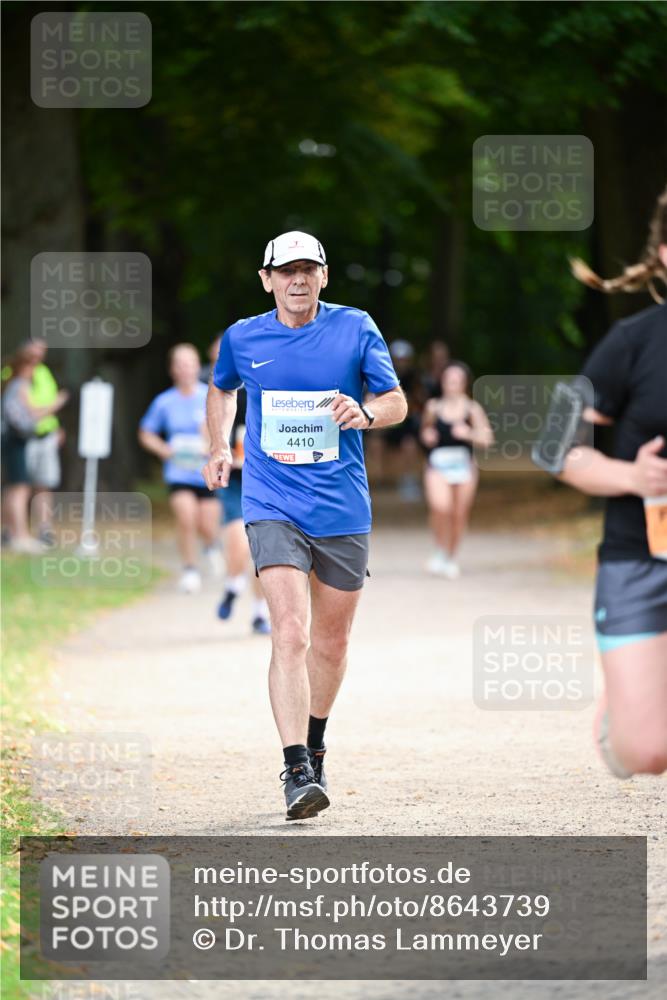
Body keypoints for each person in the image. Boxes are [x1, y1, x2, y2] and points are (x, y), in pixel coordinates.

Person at [203, 230, 407, 820]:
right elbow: (221, 390)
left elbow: (394, 400)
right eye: (285, 271)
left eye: (307, 270)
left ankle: (316, 742)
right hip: (272, 501)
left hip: (342, 505)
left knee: (332, 642)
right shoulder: (243, 337)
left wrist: (365, 413)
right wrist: (219, 445)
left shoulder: (355, 327)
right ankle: (295, 770)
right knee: (288, 632)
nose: (297, 280)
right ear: (266, 279)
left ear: (323, 276)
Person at [557, 186, 667, 778]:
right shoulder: (632, 343)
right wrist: (632, 473)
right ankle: (621, 712)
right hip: (641, 558)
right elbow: (560, 450)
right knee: (647, 752)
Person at [202, 335, 271, 635]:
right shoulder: (215, 389)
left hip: (264, 476)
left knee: (264, 548)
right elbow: (206, 429)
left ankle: (260, 612)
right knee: (236, 539)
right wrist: (219, 453)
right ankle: (233, 583)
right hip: (233, 477)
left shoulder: (265, 382)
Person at [139, 343, 222, 593]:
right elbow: (146, 433)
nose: (185, 369)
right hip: (178, 471)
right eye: (180, 364)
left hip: (206, 471)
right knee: (186, 517)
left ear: (198, 367)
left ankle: (210, 546)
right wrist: (163, 449)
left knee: (207, 524)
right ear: (172, 369)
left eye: (190, 364)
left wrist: (209, 443)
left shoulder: (210, 395)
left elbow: (222, 429)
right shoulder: (164, 402)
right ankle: (190, 569)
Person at [420, 361, 493, 578]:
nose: (452, 384)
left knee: (459, 514)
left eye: (456, 381)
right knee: (440, 507)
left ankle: (451, 557)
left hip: (464, 466)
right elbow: (425, 431)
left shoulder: (472, 409)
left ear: (464, 384)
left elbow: (487, 438)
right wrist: (427, 436)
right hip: (438, 464)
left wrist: (468, 433)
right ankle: (440, 551)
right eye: (448, 380)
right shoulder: (433, 407)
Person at [1, 344, 68, 553]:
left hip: (19, 440)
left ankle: (18, 533)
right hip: (15, 440)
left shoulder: (19, 382)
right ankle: (19, 535)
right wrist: (58, 403)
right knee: (19, 487)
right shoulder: (19, 384)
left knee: (19, 486)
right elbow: (31, 414)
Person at [24, 339, 65, 545]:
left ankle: (44, 529)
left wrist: (56, 427)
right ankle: (14, 529)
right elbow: (27, 411)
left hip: (46, 436)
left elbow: (46, 401)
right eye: (35, 351)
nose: (39, 355)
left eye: (43, 352)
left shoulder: (44, 373)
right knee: (19, 485)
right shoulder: (15, 373)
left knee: (44, 484)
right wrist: (56, 404)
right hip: (23, 437)